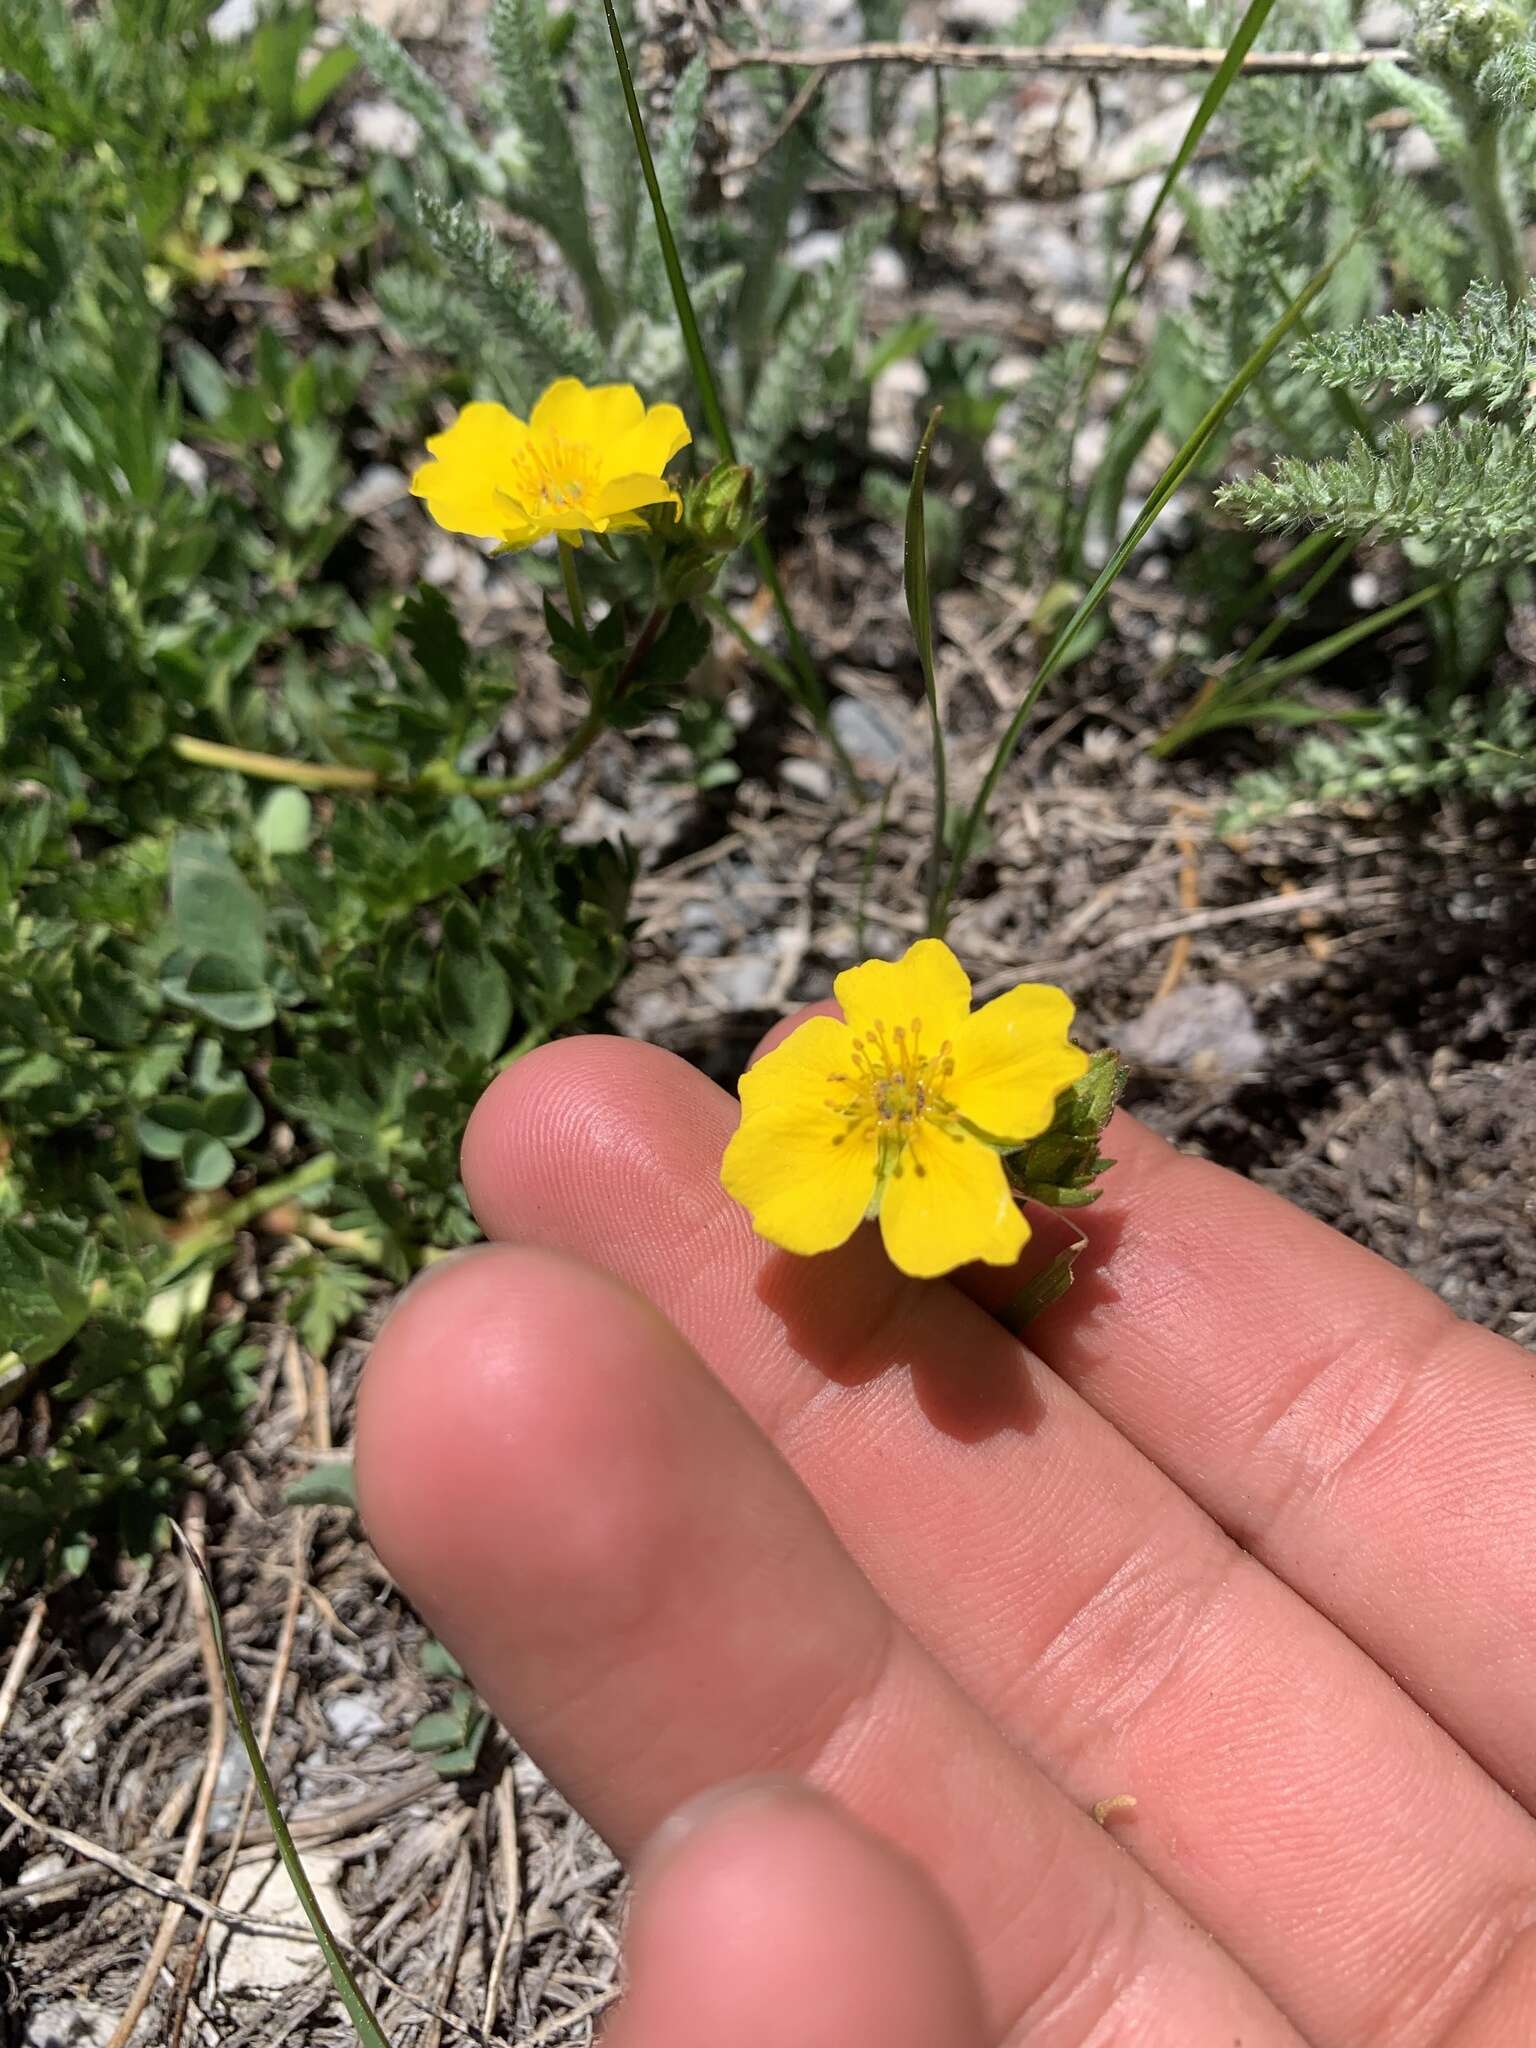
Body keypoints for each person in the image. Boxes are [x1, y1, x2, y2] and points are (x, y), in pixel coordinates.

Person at [355, 1017, 1536, 2047]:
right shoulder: (837, 1137)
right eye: (889, 1086)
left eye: (901, 1085)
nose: (893, 1088)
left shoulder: (975, 1130)